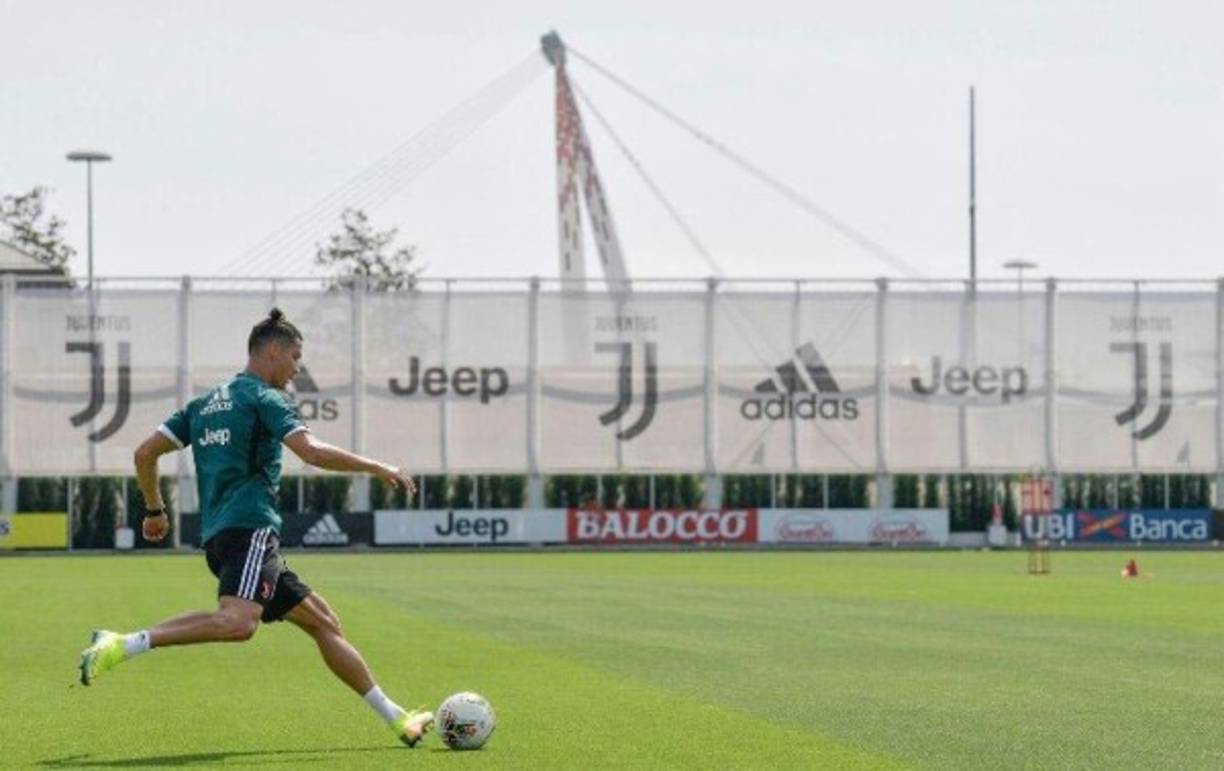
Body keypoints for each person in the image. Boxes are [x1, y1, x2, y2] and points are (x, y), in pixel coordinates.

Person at [77, 308, 434, 748]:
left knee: (323, 621)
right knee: (238, 623)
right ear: (272, 351)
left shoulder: (203, 404)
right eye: (295, 357)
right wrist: (379, 467)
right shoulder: (265, 399)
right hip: (250, 531)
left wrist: (154, 511)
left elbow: (143, 454)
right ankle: (124, 644)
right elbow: (313, 452)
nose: (297, 368)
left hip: (223, 537)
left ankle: (398, 718)